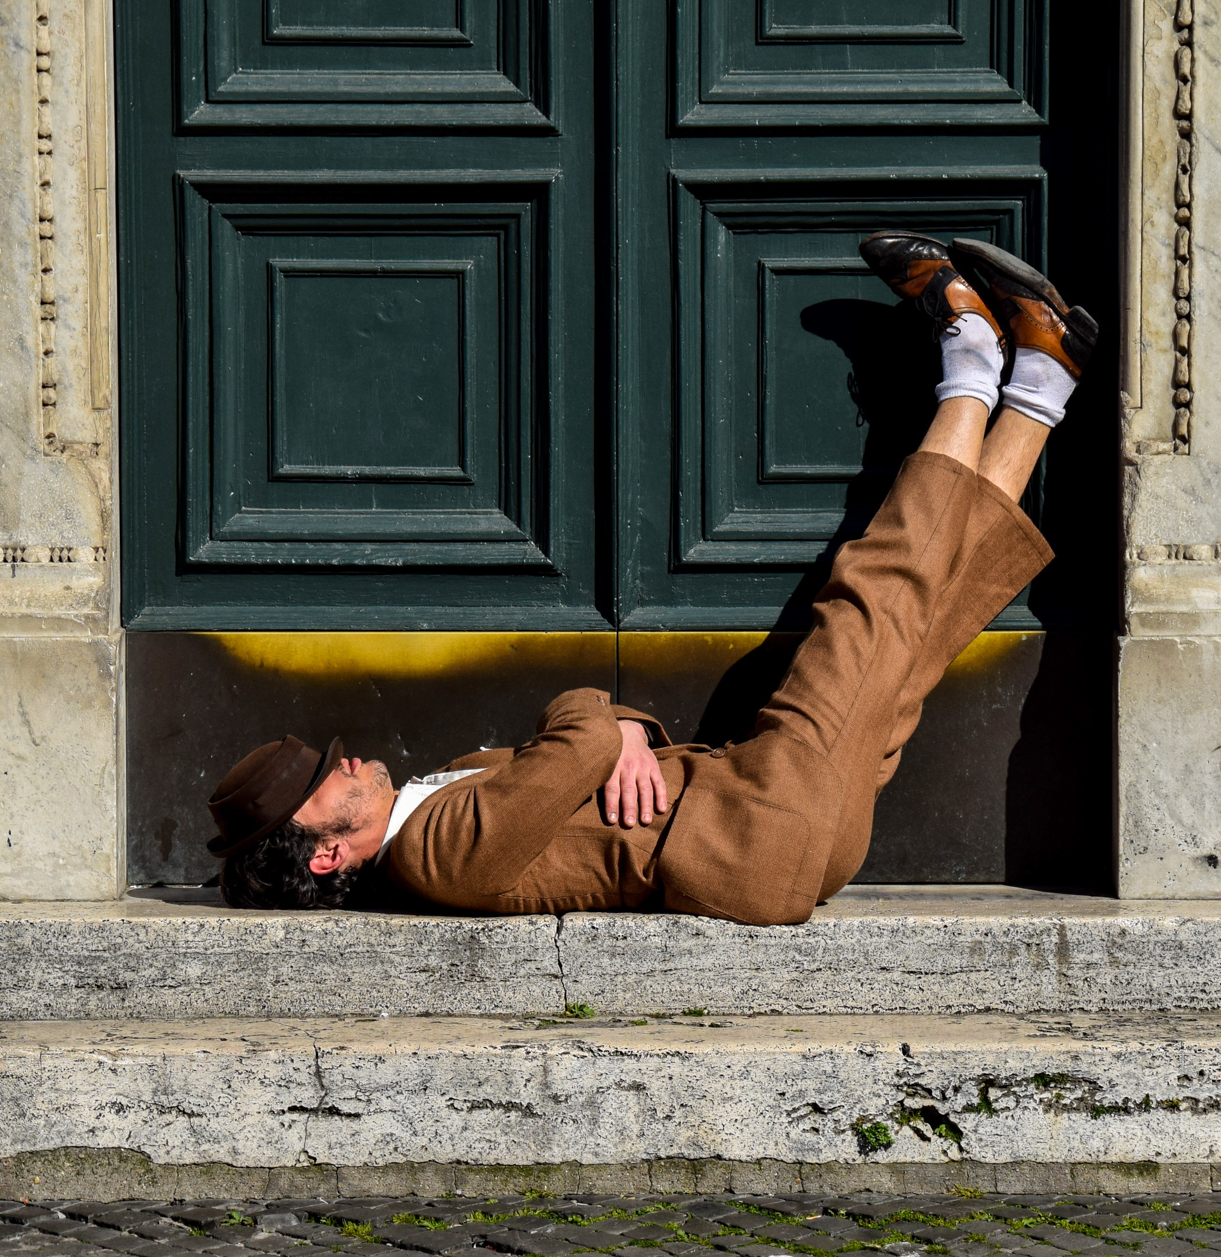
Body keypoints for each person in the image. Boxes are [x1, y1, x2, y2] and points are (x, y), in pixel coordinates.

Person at [204, 235, 1097, 925]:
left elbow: (589, 758)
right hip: (756, 823)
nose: (345, 757)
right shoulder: (431, 858)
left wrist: (620, 733)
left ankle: (1045, 376)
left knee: (915, 632)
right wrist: (604, 727)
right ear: (323, 854)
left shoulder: (427, 810)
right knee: (874, 595)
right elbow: (580, 747)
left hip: (766, 816)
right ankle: (972, 359)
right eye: (324, 778)